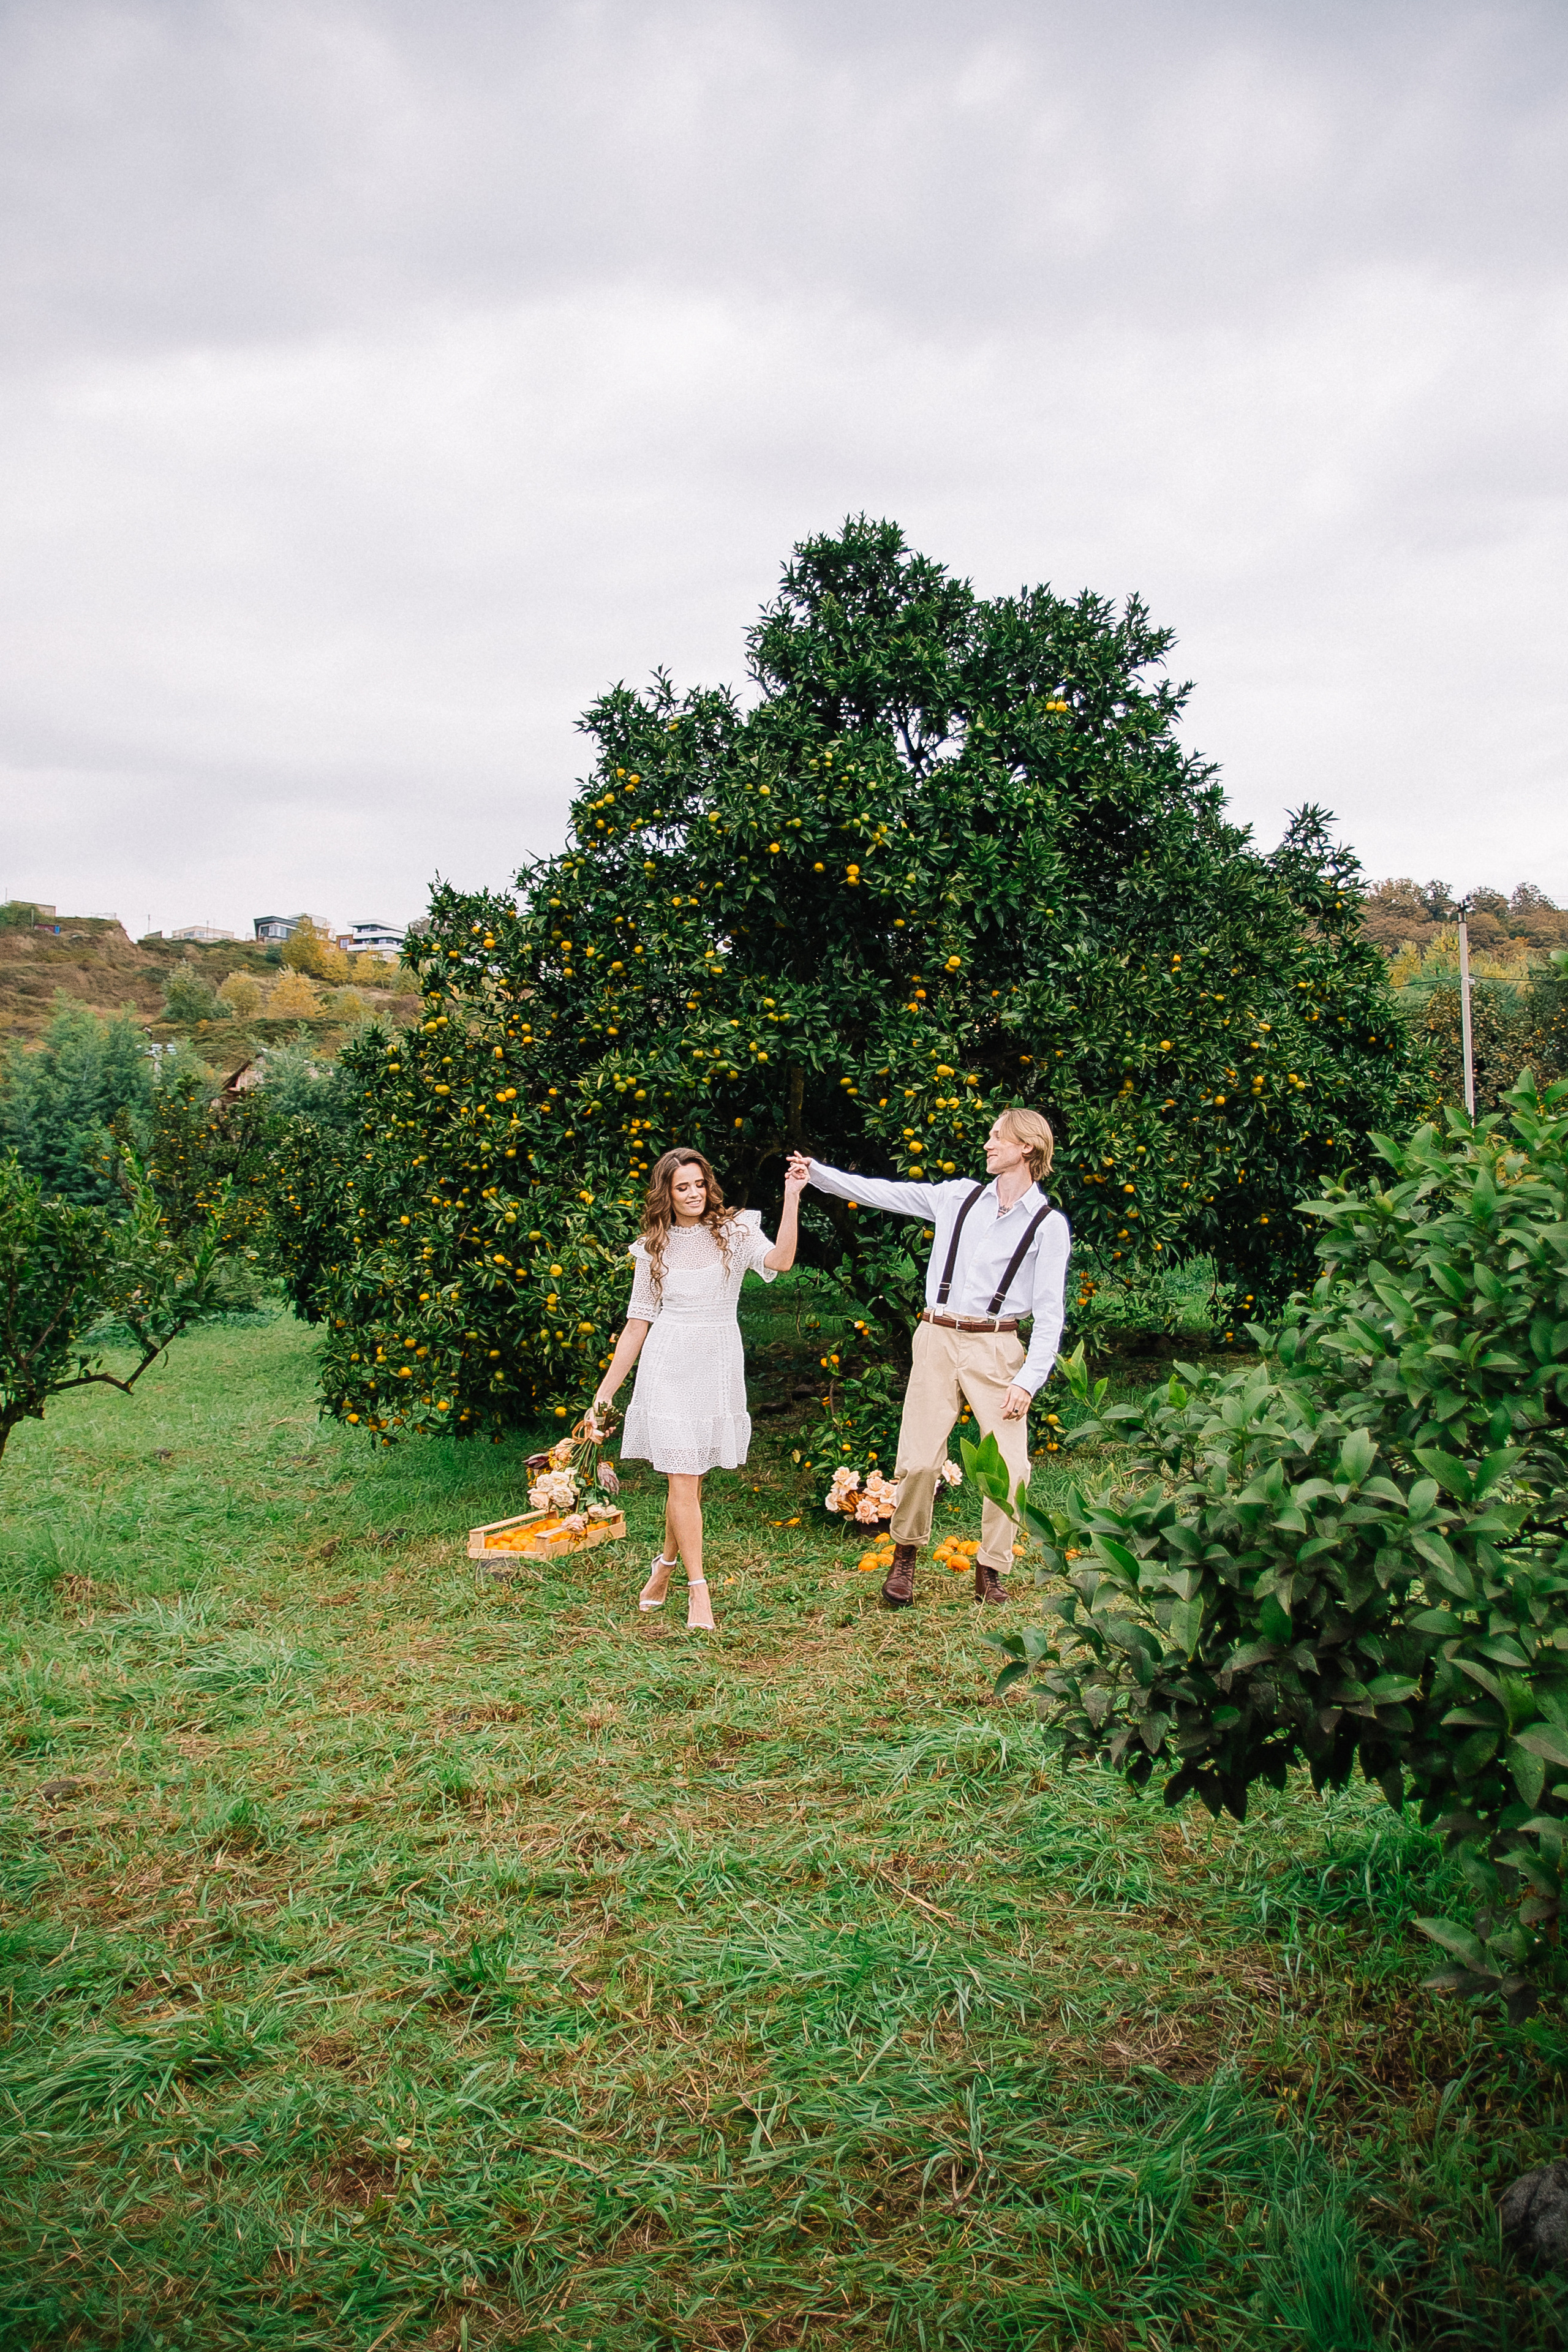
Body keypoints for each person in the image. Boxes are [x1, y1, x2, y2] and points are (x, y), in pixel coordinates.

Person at [787, 1107, 1068, 1607]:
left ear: (1027, 1147)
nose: (987, 1143)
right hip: (936, 1337)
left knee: (1011, 1465)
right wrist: (818, 1175)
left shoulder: (1048, 1225)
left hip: (997, 1346)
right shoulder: (958, 1197)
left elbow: (1050, 1315)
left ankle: (991, 1566)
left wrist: (1028, 1380)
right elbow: (883, 1192)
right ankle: (905, 1556)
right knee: (919, 1460)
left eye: (997, 1136)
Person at [592, 1148, 806, 1629]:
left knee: (688, 1481)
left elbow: (783, 1261)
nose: (693, 1194)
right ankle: (698, 1591)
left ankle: (663, 1568)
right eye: (681, 1187)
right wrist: (605, 1394)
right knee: (682, 1479)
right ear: (666, 1193)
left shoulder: (736, 1231)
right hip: (667, 1364)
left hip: (716, 1362)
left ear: (710, 1185)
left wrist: (792, 1198)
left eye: (699, 1184)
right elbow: (637, 1324)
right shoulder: (654, 1247)